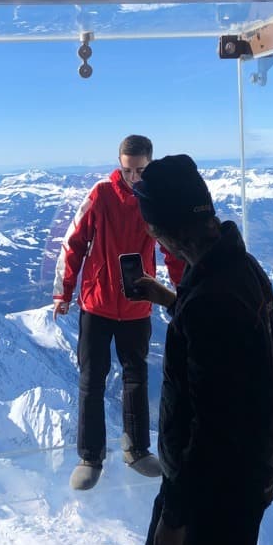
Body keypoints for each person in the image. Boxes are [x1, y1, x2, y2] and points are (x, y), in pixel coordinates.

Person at [129, 154, 273, 545]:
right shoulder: (239, 269)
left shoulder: (211, 300)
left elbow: (212, 424)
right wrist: (173, 301)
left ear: (163, 230)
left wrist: (176, 516)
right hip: (238, 479)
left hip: (207, 491)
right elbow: (230, 361)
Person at [53, 135, 185, 491]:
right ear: (119, 163)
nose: (133, 178)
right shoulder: (101, 194)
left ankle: (136, 450)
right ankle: (90, 457)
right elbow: (74, 241)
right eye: (127, 170)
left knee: (136, 377)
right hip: (96, 304)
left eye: (140, 170)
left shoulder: (155, 200)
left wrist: (184, 292)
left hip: (137, 304)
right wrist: (63, 292)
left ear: (150, 165)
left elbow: (172, 248)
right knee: (91, 380)